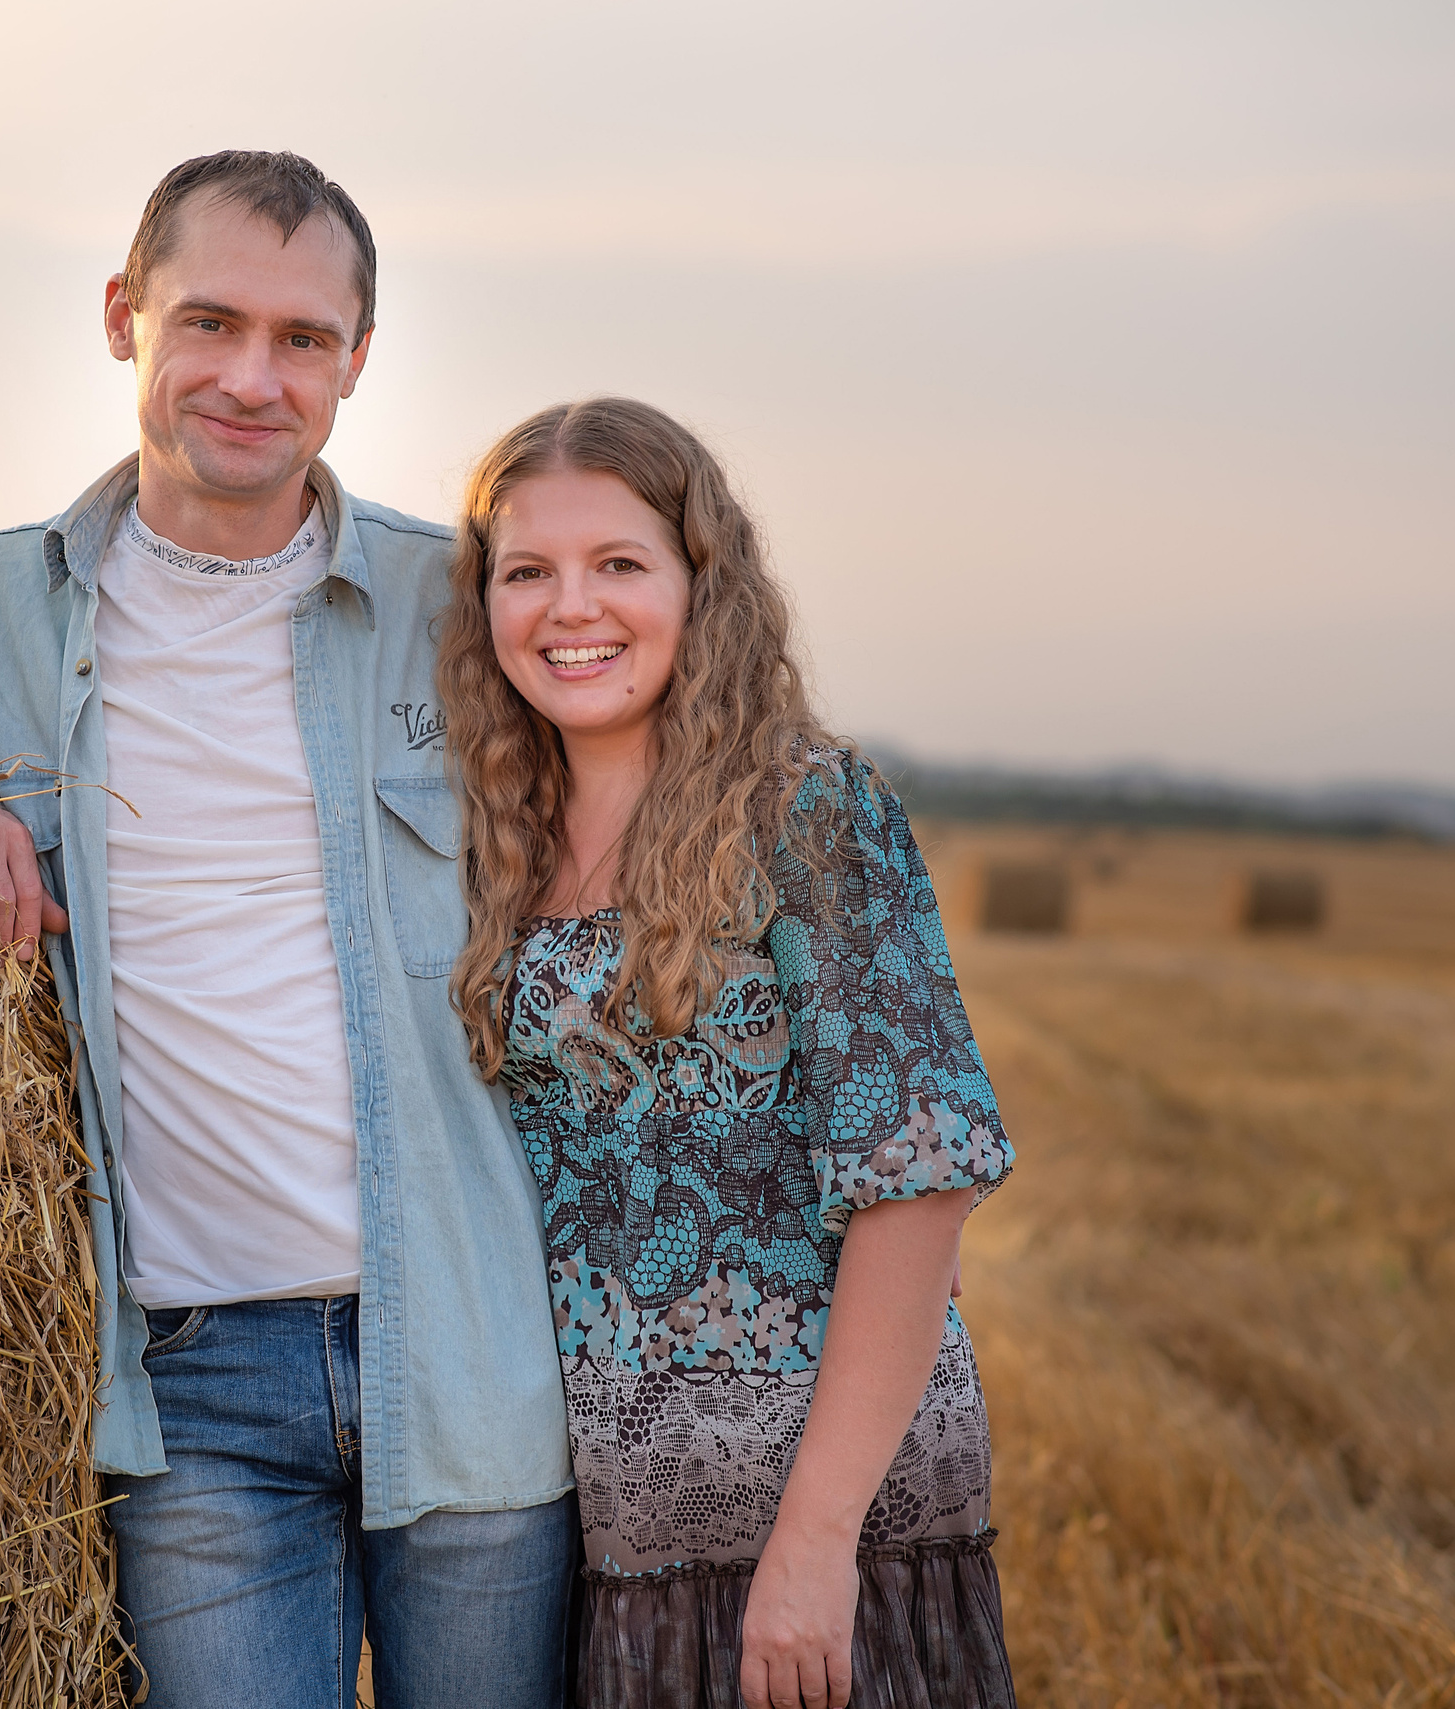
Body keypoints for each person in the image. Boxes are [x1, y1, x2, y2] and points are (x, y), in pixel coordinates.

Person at [0, 151, 574, 1708]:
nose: (254, 379)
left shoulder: (463, 602)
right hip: (189, 1383)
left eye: (302, 339)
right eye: (210, 322)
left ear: (356, 359)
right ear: (121, 316)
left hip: (467, 1337)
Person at [436, 397, 1018, 1708]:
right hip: (601, 1521)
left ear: (703, 580)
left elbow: (917, 1182)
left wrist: (813, 1545)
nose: (571, 608)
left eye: (619, 563)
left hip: (813, 1528)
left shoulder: (805, 810)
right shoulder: (490, 839)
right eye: (526, 572)